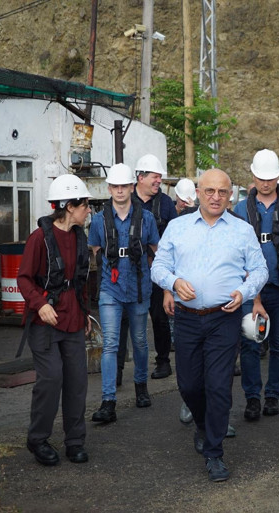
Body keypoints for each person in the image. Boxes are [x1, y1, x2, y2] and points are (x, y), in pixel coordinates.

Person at [152, 168, 268, 482]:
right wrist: (174, 281)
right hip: (187, 318)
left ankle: (214, 452)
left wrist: (244, 292)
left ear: (231, 195)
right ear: (199, 193)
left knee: (218, 386)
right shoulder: (177, 227)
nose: (215, 197)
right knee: (189, 384)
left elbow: (260, 270)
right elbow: (158, 266)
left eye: (222, 192)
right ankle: (203, 426)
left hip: (224, 318)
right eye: (209, 191)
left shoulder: (242, 230)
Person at [17, 174, 93, 466]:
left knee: (76, 382)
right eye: (85, 205)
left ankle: (74, 442)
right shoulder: (39, 239)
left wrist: (85, 313)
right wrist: (39, 305)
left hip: (73, 321)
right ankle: (38, 440)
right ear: (70, 206)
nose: (88, 210)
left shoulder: (79, 236)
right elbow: (23, 278)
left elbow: (79, 281)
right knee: (51, 379)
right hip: (45, 324)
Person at [234, 149, 279, 421]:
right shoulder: (240, 210)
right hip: (250, 289)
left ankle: (273, 395)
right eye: (261, 177)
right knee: (250, 343)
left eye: (270, 177)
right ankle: (252, 397)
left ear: (278, 176)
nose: (265, 183)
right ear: (253, 176)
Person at [88, 163, 159, 423]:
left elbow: (156, 247)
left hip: (139, 288)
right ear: (109, 188)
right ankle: (108, 401)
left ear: (131, 187)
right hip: (110, 289)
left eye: (124, 186)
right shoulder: (98, 220)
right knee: (110, 343)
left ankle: (141, 386)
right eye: (115, 186)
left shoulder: (147, 218)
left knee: (139, 341)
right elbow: (95, 249)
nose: (119, 191)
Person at [119, 154, 177, 381]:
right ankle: (118, 368)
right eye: (154, 177)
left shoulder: (165, 204)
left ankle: (163, 362)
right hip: (128, 271)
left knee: (160, 317)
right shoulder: (125, 200)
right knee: (124, 318)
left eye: (160, 178)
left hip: (157, 270)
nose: (158, 182)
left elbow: (174, 236)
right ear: (140, 177)